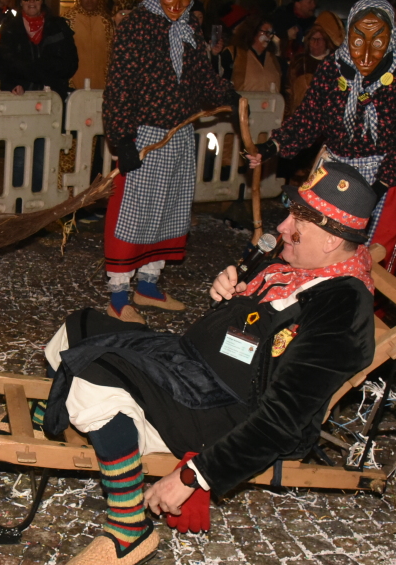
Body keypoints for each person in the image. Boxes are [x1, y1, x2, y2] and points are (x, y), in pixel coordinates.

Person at [42, 160, 377, 565]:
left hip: (225, 412)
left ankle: (129, 528)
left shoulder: (340, 308)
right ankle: (78, 412)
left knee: (94, 372)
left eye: (298, 221)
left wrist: (191, 475)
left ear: (330, 240)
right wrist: (231, 293)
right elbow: (255, 323)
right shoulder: (299, 268)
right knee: (79, 327)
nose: (284, 225)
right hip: (192, 368)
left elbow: (283, 420)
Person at [249, 0, 396, 275]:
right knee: (316, 239)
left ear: (390, 38)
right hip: (335, 168)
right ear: (347, 35)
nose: (365, 55)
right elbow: (309, 116)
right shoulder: (334, 67)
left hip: (386, 173)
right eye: (358, 40)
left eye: (377, 42)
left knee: (372, 249)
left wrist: (376, 188)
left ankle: (360, 306)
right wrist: (271, 147)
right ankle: (311, 297)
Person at [100, 0, 239, 324]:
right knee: (133, 214)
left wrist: (226, 93)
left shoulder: (190, 26)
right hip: (145, 135)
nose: (175, 4)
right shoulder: (136, 26)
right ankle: (119, 297)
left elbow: (201, 75)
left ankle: (148, 285)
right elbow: (120, 83)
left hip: (179, 134)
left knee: (170, 211)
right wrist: (122, 137)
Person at [0, 0, 78, 101]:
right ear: (21, 2)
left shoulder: (59, 26)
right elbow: (3, 66)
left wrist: (43, 70)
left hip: (54, 98)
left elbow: (71, 64)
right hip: (20, 99)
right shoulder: (9, 29)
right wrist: (13, 85)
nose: (32, 1)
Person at [287, 11, 343, 113]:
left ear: (326, 42)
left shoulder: (334, 63)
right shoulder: (300, 61)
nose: (316, 43)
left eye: (320, 39)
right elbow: (290, 90)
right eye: (313, 39)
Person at [63, 0, 113, 90]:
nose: (89, 1)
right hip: (74, 86)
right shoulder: (68, 20)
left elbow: (111, 55)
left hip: (102, 87)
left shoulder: (106, 22)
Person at [230, 18, 281, 93]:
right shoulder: (234, 53)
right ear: (253, 32)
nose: (269, 37)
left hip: (270, 103)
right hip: (243, 103)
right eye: (266, 32)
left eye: (271, 33)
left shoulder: (274, 58)